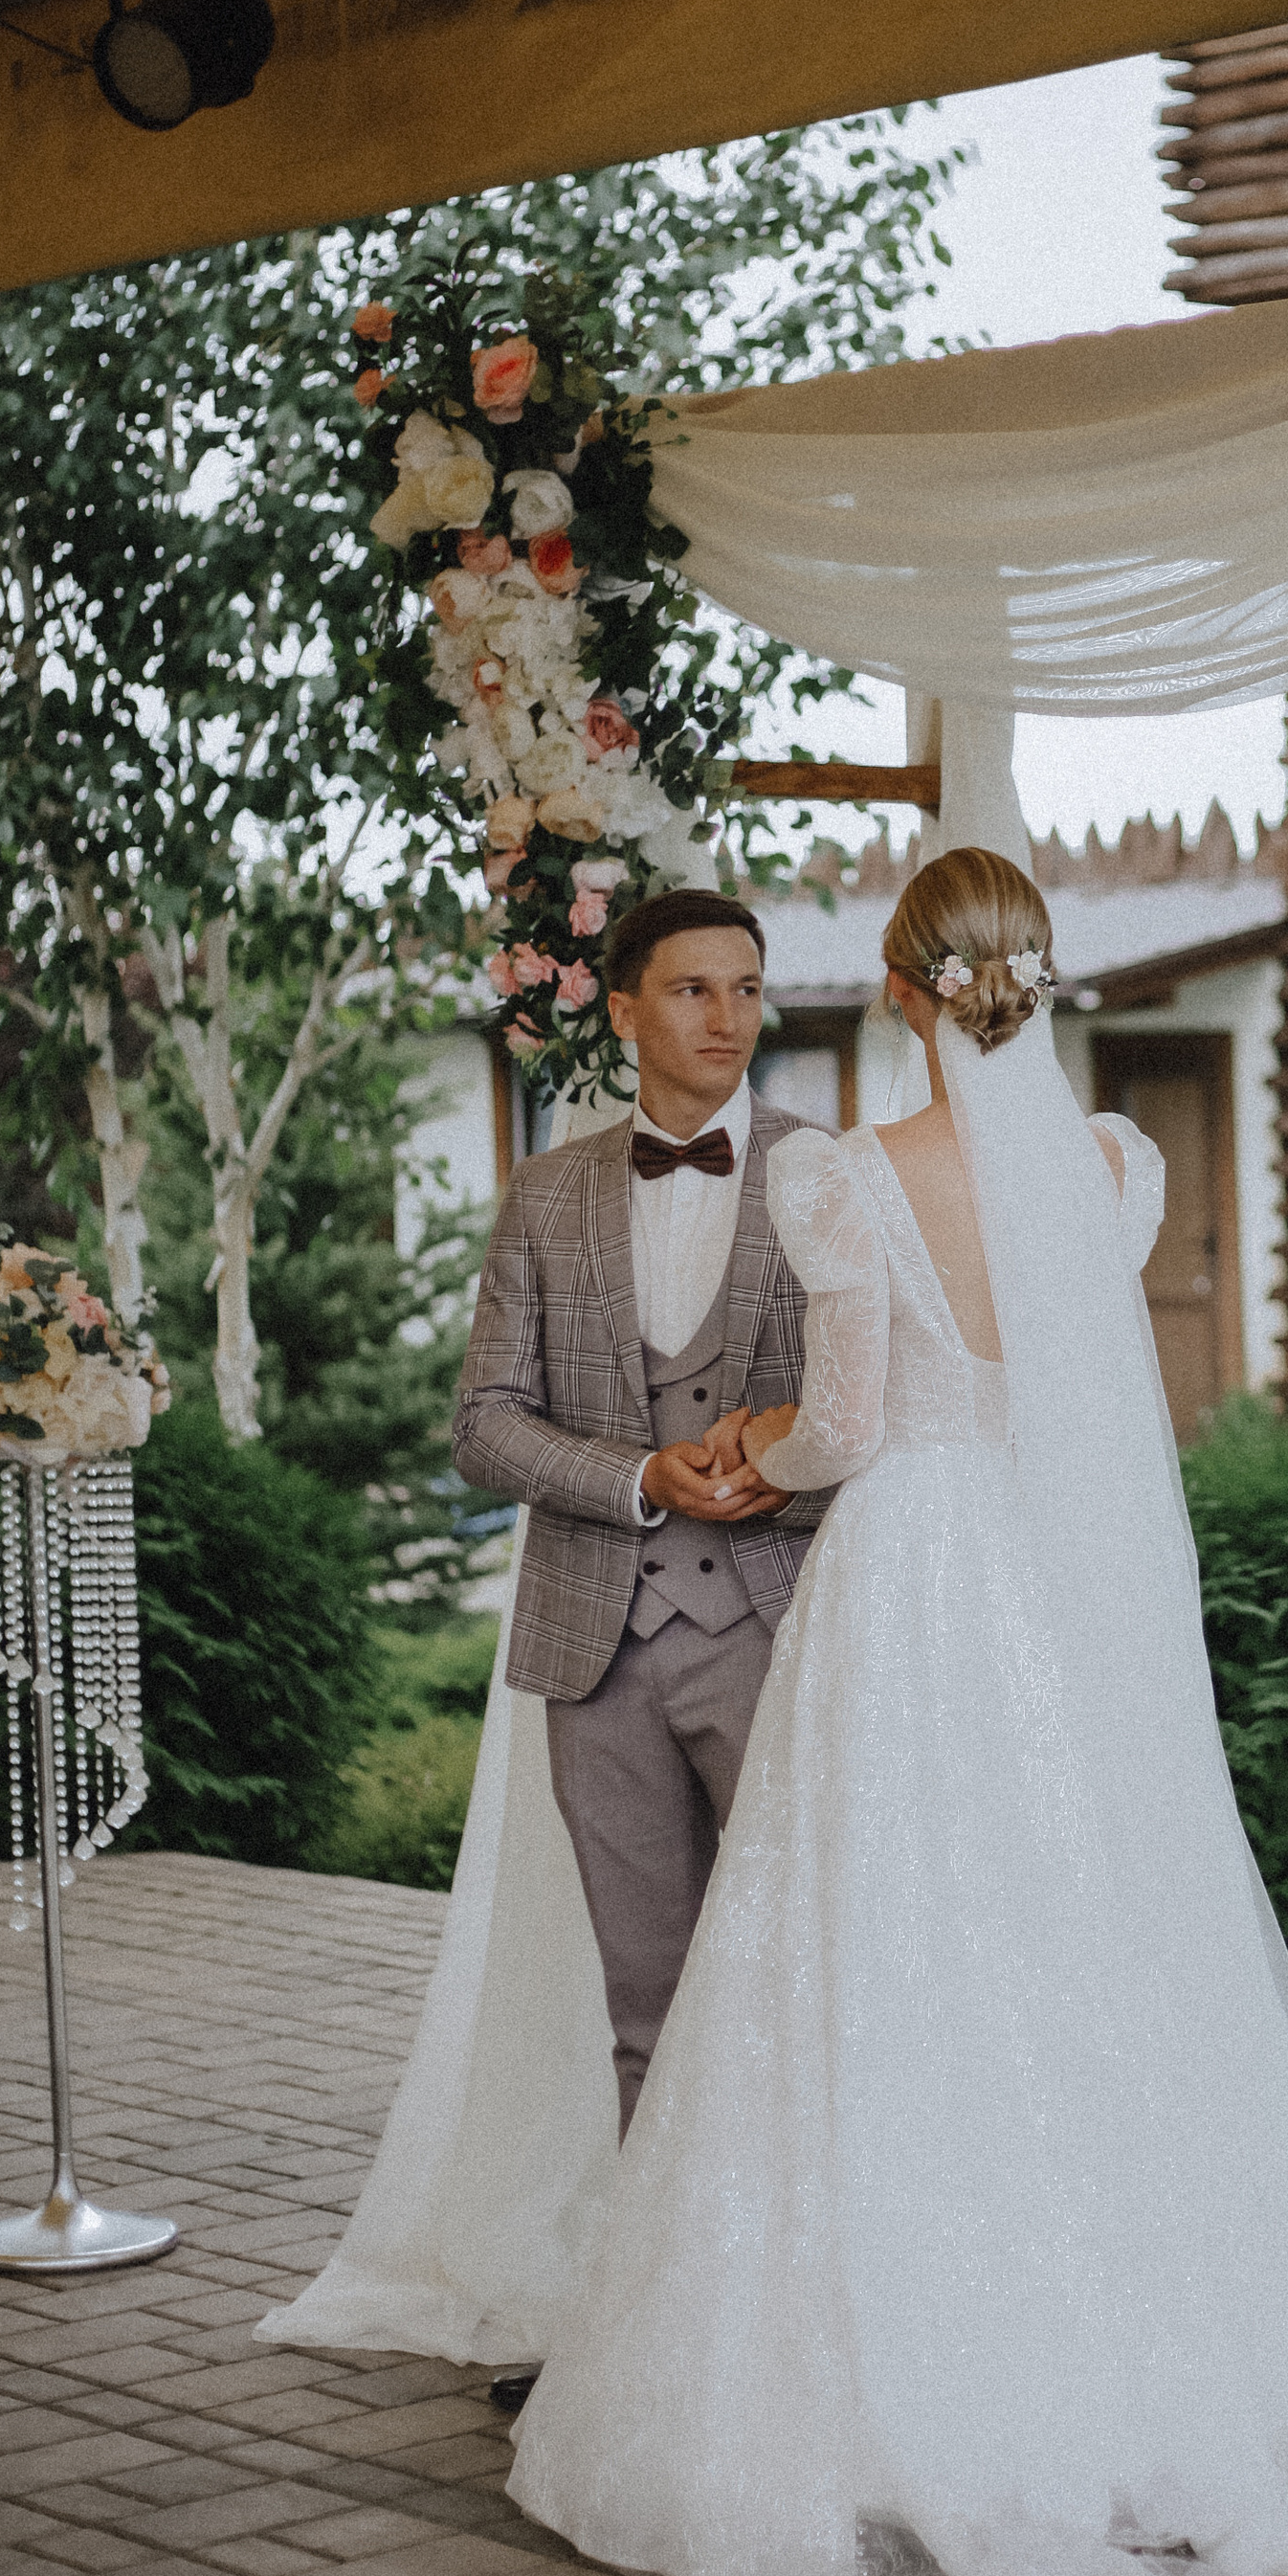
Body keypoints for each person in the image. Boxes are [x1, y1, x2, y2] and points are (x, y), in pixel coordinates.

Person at [506, 848, 1288, 2576]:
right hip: (1056, 1601)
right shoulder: (1117, 1170)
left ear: (903, 990)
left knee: (900, 1966)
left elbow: (847, 1429)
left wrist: (757, 1439)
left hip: (914, 1587)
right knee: (1077, 1955)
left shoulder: (842, 1180)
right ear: (1033, 986)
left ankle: (899, 2376)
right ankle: (1131, 2363)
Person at [452, 891, 835, 2156]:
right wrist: (638, 1477)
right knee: (646, 2008)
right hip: (597, 1653)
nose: (728, 1017)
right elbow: (484, 1426)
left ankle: (803, 2266)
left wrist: (785, 1467)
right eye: (692, 990)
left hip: (782, 1637)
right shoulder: (547, 1194)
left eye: (747, 988)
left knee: (806, 1990)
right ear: (624, 1012)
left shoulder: (833, 1178)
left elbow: (892, 1410)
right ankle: (657, 2276)